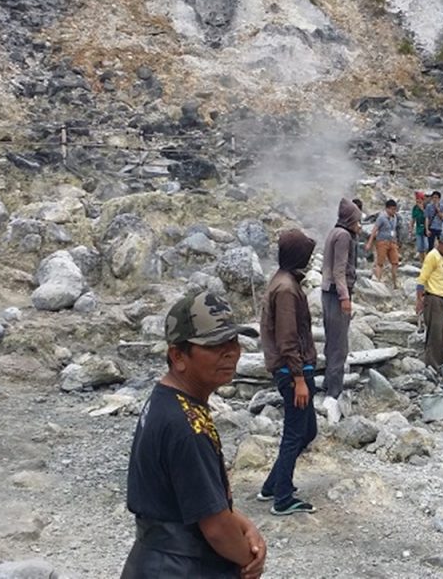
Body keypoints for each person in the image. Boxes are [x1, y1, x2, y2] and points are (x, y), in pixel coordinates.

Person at [121, 291, 266, 579]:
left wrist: (244, 525)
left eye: (232, 341)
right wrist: (249, 561)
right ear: (178, 356)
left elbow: (200, 499)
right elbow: (215, 528)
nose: (230, 352)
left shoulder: (168, 401)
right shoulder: (186, 425)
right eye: (214, 345)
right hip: (182, 567)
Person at [257, 229, 318, 516]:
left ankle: (273, 484)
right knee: (296, 433)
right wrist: (298, 378)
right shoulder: (286, 289)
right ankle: (282, 498)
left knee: (307, 430)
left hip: (295, 368)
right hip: (293, 370)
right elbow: (287, 337)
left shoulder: (284, 281)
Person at [321, 198, 360, 423]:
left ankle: (328, 382)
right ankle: (333, 394)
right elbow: (339, 271)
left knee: (331, 340)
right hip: (336, 294)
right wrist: (345, 297)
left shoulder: (334, 232)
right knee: (339, 345)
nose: (359, 225)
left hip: (327, 293)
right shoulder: (344, 236)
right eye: (356, 220)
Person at [416, 230, 443, 370]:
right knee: (435, 333)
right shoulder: (432, 256)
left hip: (441, 297)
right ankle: (433, 365)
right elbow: (421, 279)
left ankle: (440, 361)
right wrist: (419, 301)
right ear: (440, 243)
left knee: (442, 334)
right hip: (433, 298)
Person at [365, 199, 401, 288]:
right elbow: (375, 229)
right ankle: (378, 282)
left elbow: (395, 229)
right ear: (387, 209)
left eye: (395, 209)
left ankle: (395, 283)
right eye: (392, 209)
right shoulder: (381, 218)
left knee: (395, 262)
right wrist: (370, 242)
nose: (394, 211)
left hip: (392, 241)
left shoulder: (395, 217)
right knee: (380, 262)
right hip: (382, 242)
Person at [411, 191, 428, 262]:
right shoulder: (415, 208)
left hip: (426, 229)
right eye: (416, 199)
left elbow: (428, 217)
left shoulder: (427, 206)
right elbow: (413, 218)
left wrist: (422, 209)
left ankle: (427, 261)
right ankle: (422, 262)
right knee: (420, 247)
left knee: (426, 247)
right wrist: (410, 228)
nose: (418, 200)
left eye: (419, 199)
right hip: (418, 229)